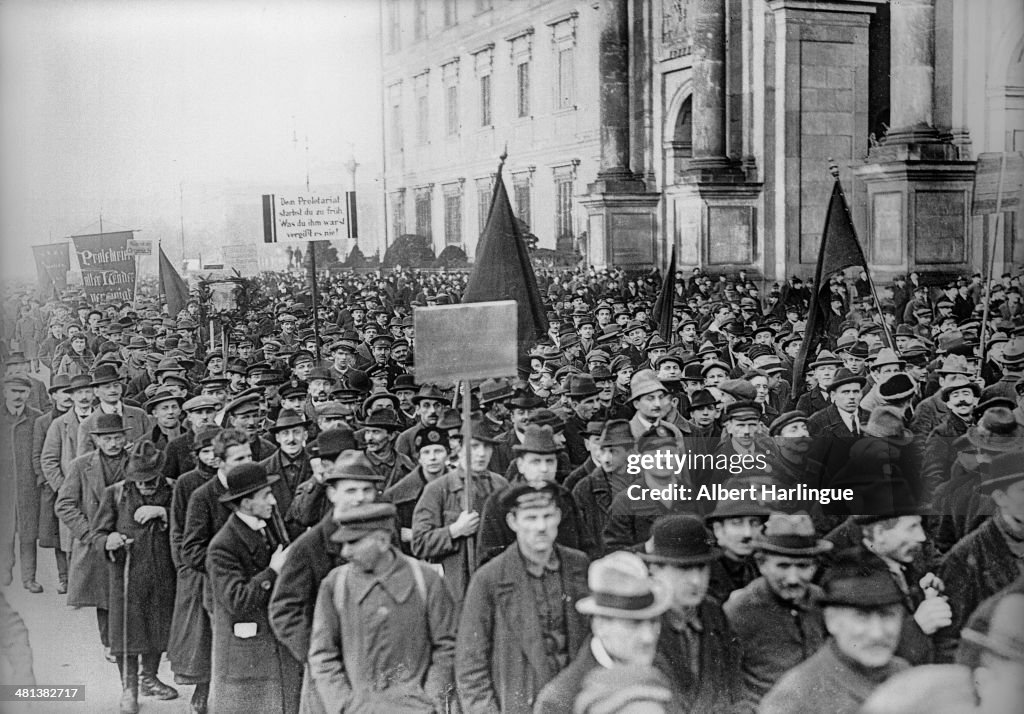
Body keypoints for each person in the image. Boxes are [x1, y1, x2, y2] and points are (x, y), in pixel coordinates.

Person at [307, 503, 457, 712]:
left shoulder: (425, 580)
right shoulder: (335, 585)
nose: (345, 551)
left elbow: (447, 646)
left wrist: (431, 698)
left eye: (353, 542)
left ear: (383, 541)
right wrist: (342, 704)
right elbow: (323, 655)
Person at [456, 482, 591, 713]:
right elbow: (471, 667)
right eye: (530, 518)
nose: (541, 526)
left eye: (548, 516)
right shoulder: (489, 579)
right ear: (512, 522)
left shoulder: (579, 566)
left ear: (558, 516)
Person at [269, 449, 384, 714]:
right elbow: (284, 611)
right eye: (351, 490)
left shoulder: (381, 535)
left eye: (367, 490)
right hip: (331, 675)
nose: (360, 498)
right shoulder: (309, 547)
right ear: (332, 493)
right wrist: (319, 654)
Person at [758, 551, 911, 714]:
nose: (877, 633)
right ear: (832, 621)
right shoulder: (796, 698)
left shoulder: (906, 676)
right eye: (861, 617)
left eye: (888, 615)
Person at [206, 462, 301, 714]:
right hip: (248, 653)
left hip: (272, 646)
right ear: (246, 503)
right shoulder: (223, 546)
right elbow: (236, 600)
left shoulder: (265, 525)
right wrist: (272, 571)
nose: (273, 501)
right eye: (266, 496)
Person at [91, 440, 178, 713]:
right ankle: (129, 688)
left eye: (150, 481)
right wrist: (110, 539)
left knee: (158, 627)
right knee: (127, 633)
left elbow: (190, 523)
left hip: (164, 573)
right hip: (127, 576)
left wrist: (164, 512)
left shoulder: (175, 490)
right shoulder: (115, 494)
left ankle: (149, 677)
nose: (145, 486)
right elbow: (97, 534)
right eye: (139, 481)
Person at [533, 550, 672, 714]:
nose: (648, 637)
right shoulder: (559, 701)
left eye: (654, 621)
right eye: (633, 624)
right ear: (600, 626)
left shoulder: (663, 668)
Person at [724, 513, 832, 712]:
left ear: (815, 565)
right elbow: (724, 683)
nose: (793, 578)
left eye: (803, 566)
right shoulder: (740, 610)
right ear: (762, 564)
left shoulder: (821, 601)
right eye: (783, 566)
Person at [640, 514, 740, 713]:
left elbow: (734, 688)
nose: (696, 580)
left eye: (702, 567)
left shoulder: (713, 614)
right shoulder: (640, 621)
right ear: (655, 568)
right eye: (683, 568)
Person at [55, 413, 132, 663]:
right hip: (96, 542)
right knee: (104, 595)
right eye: (107, 438)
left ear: (125, 437)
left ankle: (135, 641)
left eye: (118, 437)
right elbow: (65, 504)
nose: (113, 444)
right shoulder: (81, 465)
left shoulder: (136, 463)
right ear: (96, 440)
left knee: (134, 590)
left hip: (130, 538)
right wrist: (91, 534)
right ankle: (109, 643)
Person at [411, 420, 509, 606]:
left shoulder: (501, 486)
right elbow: (419, 542)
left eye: (487, 447)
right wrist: (454, 530)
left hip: (497, 587)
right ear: (459, 448)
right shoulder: (438, 489)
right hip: (457, 592)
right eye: (474, 446)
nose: (481, 453)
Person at [166, 424, 222, 714]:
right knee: (199, 636)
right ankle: (201, 690)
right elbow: (177, 529)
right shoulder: (187, 483)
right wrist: (184, 566)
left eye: (217, 450)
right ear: (196, 454)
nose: (213, 456)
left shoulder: (232, 478)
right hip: (196, 566)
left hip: (227, 563)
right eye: (206, 451)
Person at [0, 374, 44, 591]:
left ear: (28, 394)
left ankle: (29, 577)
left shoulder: (36, 418)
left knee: (28, 533)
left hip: (28, 486)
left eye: (23, 392)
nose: (18, 396)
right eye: (13, 391)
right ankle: (5, 571)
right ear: (5, 392)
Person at [30, 372, 71, 593]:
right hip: (54, 487)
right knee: (57, 535)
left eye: (71, 392)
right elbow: (38, 456)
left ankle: (78, 576)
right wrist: (48, 482)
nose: (68, 397)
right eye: (63, 392)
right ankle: (64, 577)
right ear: (54, 396)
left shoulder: (80, 418)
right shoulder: (43, 422)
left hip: (77, 483)